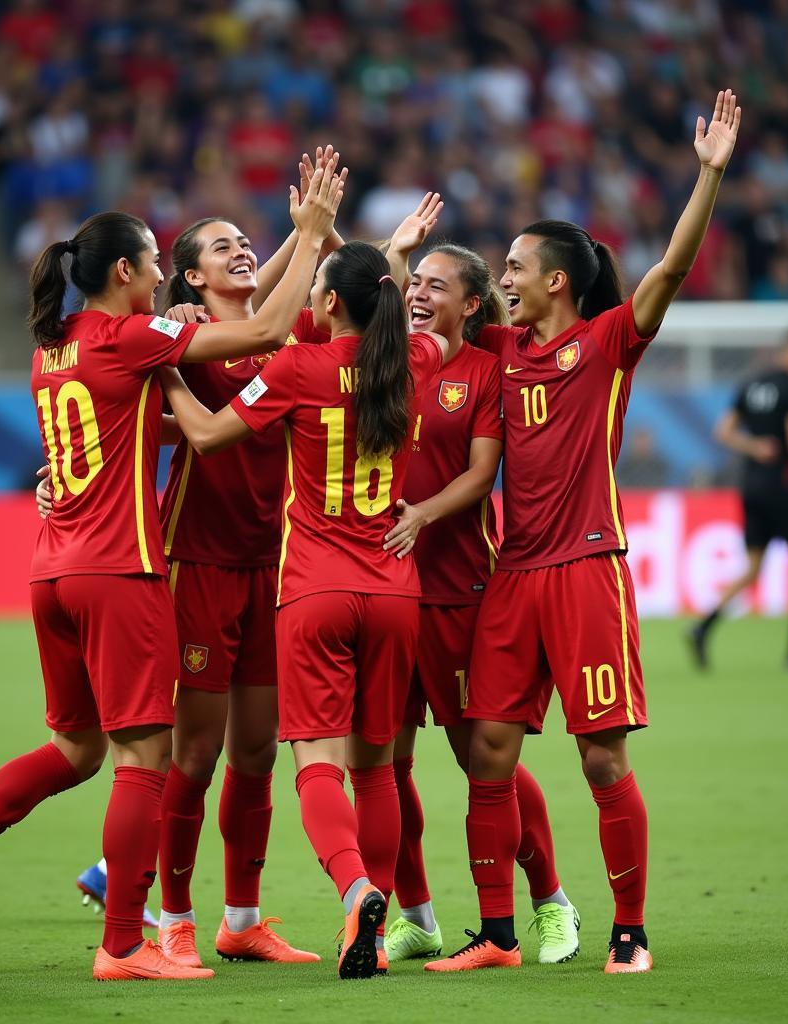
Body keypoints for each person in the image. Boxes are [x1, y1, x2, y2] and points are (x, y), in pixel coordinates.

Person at [0, 158, 346, 982]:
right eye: (157, 266)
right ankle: (128, 942)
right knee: (149, 759)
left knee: (75, 749)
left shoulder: (56, 349)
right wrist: (310, 231)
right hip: (122, 568)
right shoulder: (134, 339)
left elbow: (178, 396)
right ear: (133, 272)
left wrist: (280, 252)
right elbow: (259, 333)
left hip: (53, 570)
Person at [424, 89, 741, 977]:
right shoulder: (495, 348)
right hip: (512, 576)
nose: (505, 277)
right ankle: (494, 936)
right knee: (486, 750)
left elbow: (670, 274)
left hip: (586, 570)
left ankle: (630, 933)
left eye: (517, 266)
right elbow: (429, 309)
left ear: (556, 279)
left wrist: (707, 176)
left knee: (601, 759)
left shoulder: (606, 343)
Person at [159, 229, 447, 980]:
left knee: (313, 765)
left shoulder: (295, 364)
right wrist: (389, 258)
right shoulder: (419, 360)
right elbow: (395, 318)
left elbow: (211, 433)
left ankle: (352, 892)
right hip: (394, 590)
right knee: (377, 769)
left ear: (325, 303)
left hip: (312, 586)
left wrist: (167, 375)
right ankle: (374, 932)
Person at [377, 243, 580, 967]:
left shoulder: (485, 370)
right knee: (385, 764)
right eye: (413, 283)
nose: (420, 293)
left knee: (482, 762)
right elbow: (327, 299)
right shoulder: (380, 360)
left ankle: (551, 901)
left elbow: (481, 474)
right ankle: (417, 915)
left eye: (438, 285)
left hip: (460, 591)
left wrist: (421, 515)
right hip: (382, 591)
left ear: (471, 304)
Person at [690, 328, 788, 669]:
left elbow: (724, 431)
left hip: (752, 487)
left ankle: (703, 626)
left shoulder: (753, 384)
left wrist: (753, 447)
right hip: (782, 486)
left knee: (754, 568)